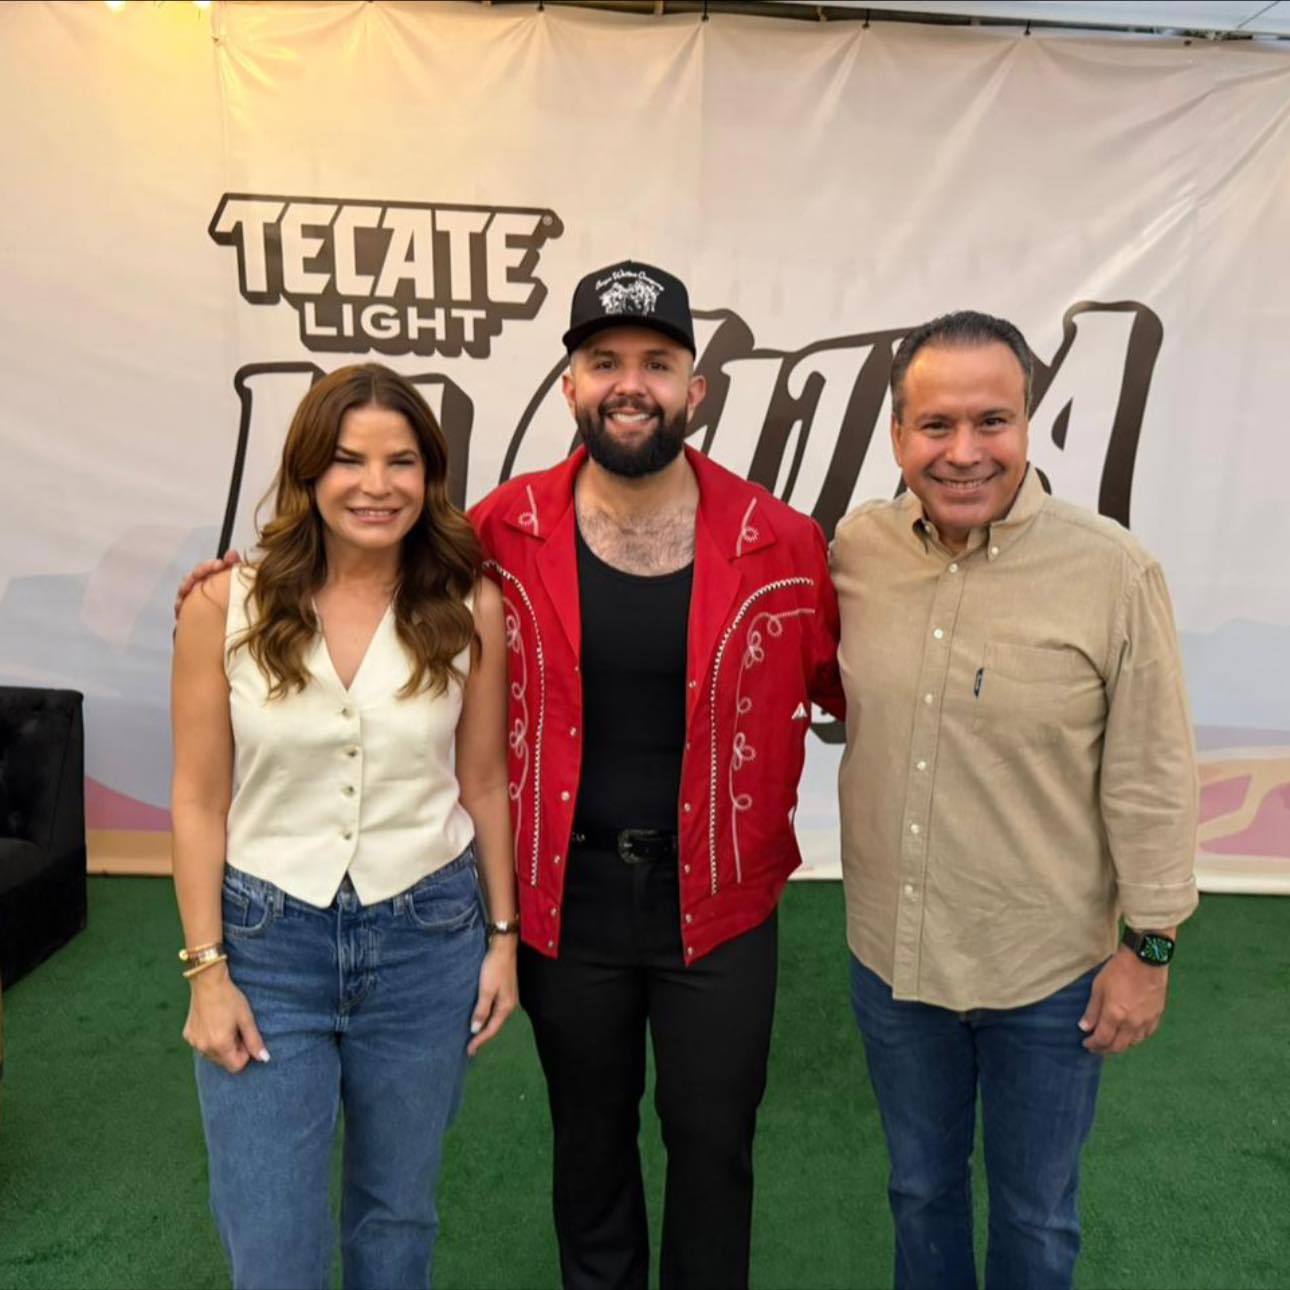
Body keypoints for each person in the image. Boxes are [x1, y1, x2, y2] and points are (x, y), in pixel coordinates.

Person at [469, 259, 844, 1290]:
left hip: (721, 900)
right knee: (589, 1145)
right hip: (567, 899)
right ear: (570, 387)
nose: (629, 384)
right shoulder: (499, 531)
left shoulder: (783, 543)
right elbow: (378, 591)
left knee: (714, 1144)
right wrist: (246, 580)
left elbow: (863, 676)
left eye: (657, 363)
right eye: (604, 361)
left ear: (695, 390)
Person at [830, 311, 1199, 1290]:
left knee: (1036, 1222)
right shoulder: (856, 552)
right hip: (894, 961)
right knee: (920, 1192)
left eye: (991, 421)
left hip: (1049, 973)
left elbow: (1155, 772)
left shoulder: (1113, 571)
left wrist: (1150, 950)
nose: (964, 452)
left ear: (1029, 425)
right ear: (897, 436)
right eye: (936, 425)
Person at [170, 362, 518, 1290]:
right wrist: (207, 973)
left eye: (401, 461)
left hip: (427, 941)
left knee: (396, 1219)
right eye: (349, 460)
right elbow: (198, 801)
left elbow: (485, 783)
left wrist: (503, 939)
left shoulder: (470, 604)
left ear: (430, 475)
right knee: (271, 1239)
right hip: (266, 946)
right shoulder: (222, 605)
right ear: (307, 471)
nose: (376, 485)